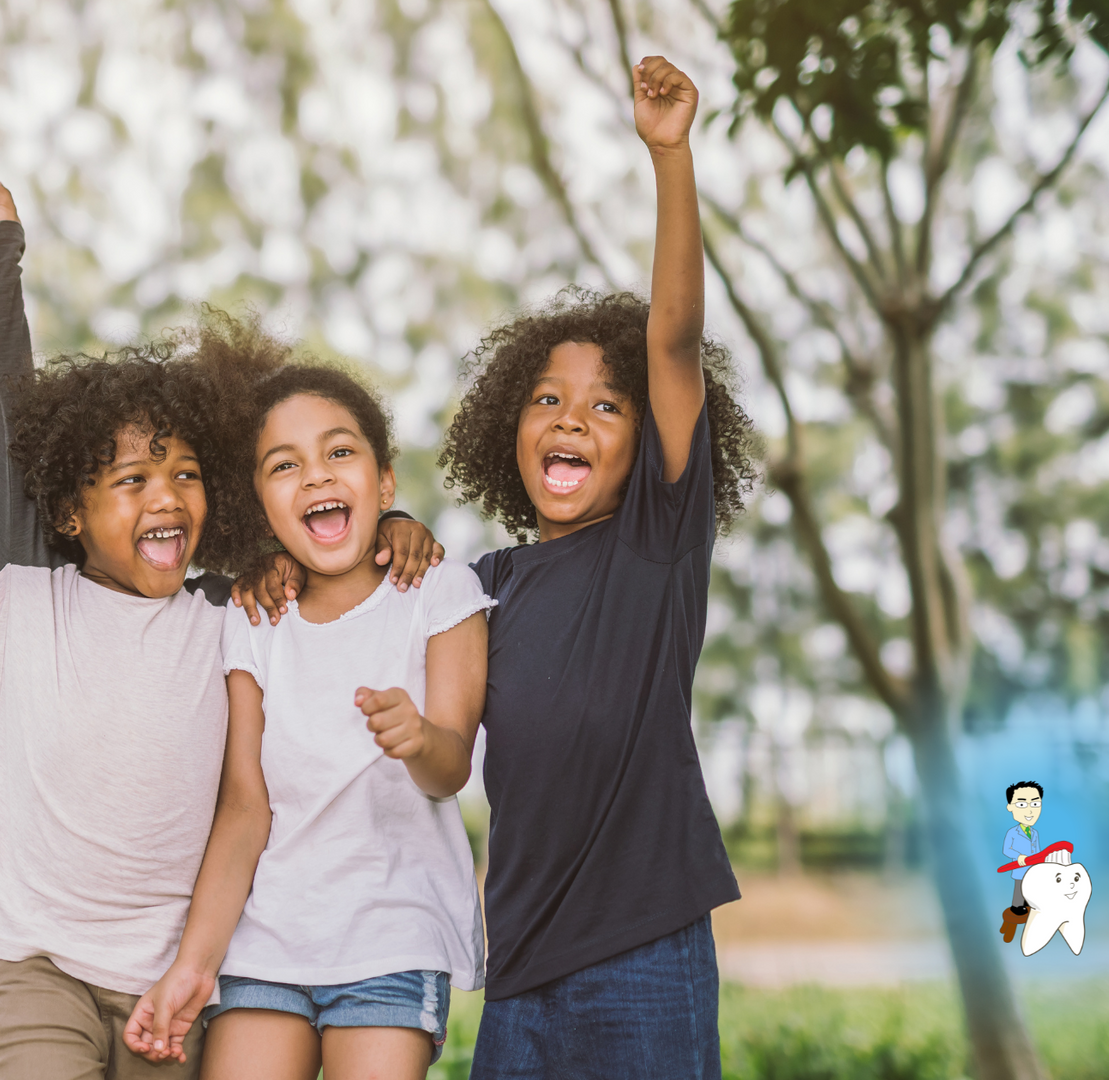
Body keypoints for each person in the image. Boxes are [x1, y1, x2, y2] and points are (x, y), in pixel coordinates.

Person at [0, 183, 444, 1080]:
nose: (165, 495)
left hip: (173, 973)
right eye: (131, 480)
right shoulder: (30, 591)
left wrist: (396, 529)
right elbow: (6, 417)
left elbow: (326, 540)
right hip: (33, 955)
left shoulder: (231, 610)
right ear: (66, 511)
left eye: (185, 473)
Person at [435, 58, 760, 1078]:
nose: (572, 414)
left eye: (605, 405)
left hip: (645, 959)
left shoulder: (657, 546)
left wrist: (670, 159)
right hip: (521, 970)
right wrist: (402, 540)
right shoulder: (480, 584)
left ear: (642, 443)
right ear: (507, 427)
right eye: (546, 399)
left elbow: (672, 341)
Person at [122, 356, 492, 1080]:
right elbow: (243, 809)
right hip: (265, 946)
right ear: (260, 504)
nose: (317, 476)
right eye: (284, 465)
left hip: (393, 940)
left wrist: (418, 738)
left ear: (384, 482)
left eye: (339, 452)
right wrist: (191, 968)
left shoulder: (439, 591)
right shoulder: (254, 618)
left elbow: (450, 770)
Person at [1000, 780, 1046, 940]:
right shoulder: (1012, 832)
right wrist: (1018, 856)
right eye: (1021, 805)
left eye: (1035, 804)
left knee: (1033, 898)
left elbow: (1037, 850)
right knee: (1018, 900)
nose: (1029, 810)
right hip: (1020, 871)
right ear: (1010, 807)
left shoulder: (1034, 833)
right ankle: (1011, 927)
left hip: (1033, 871)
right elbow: (1007, 849)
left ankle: (1032, 929)